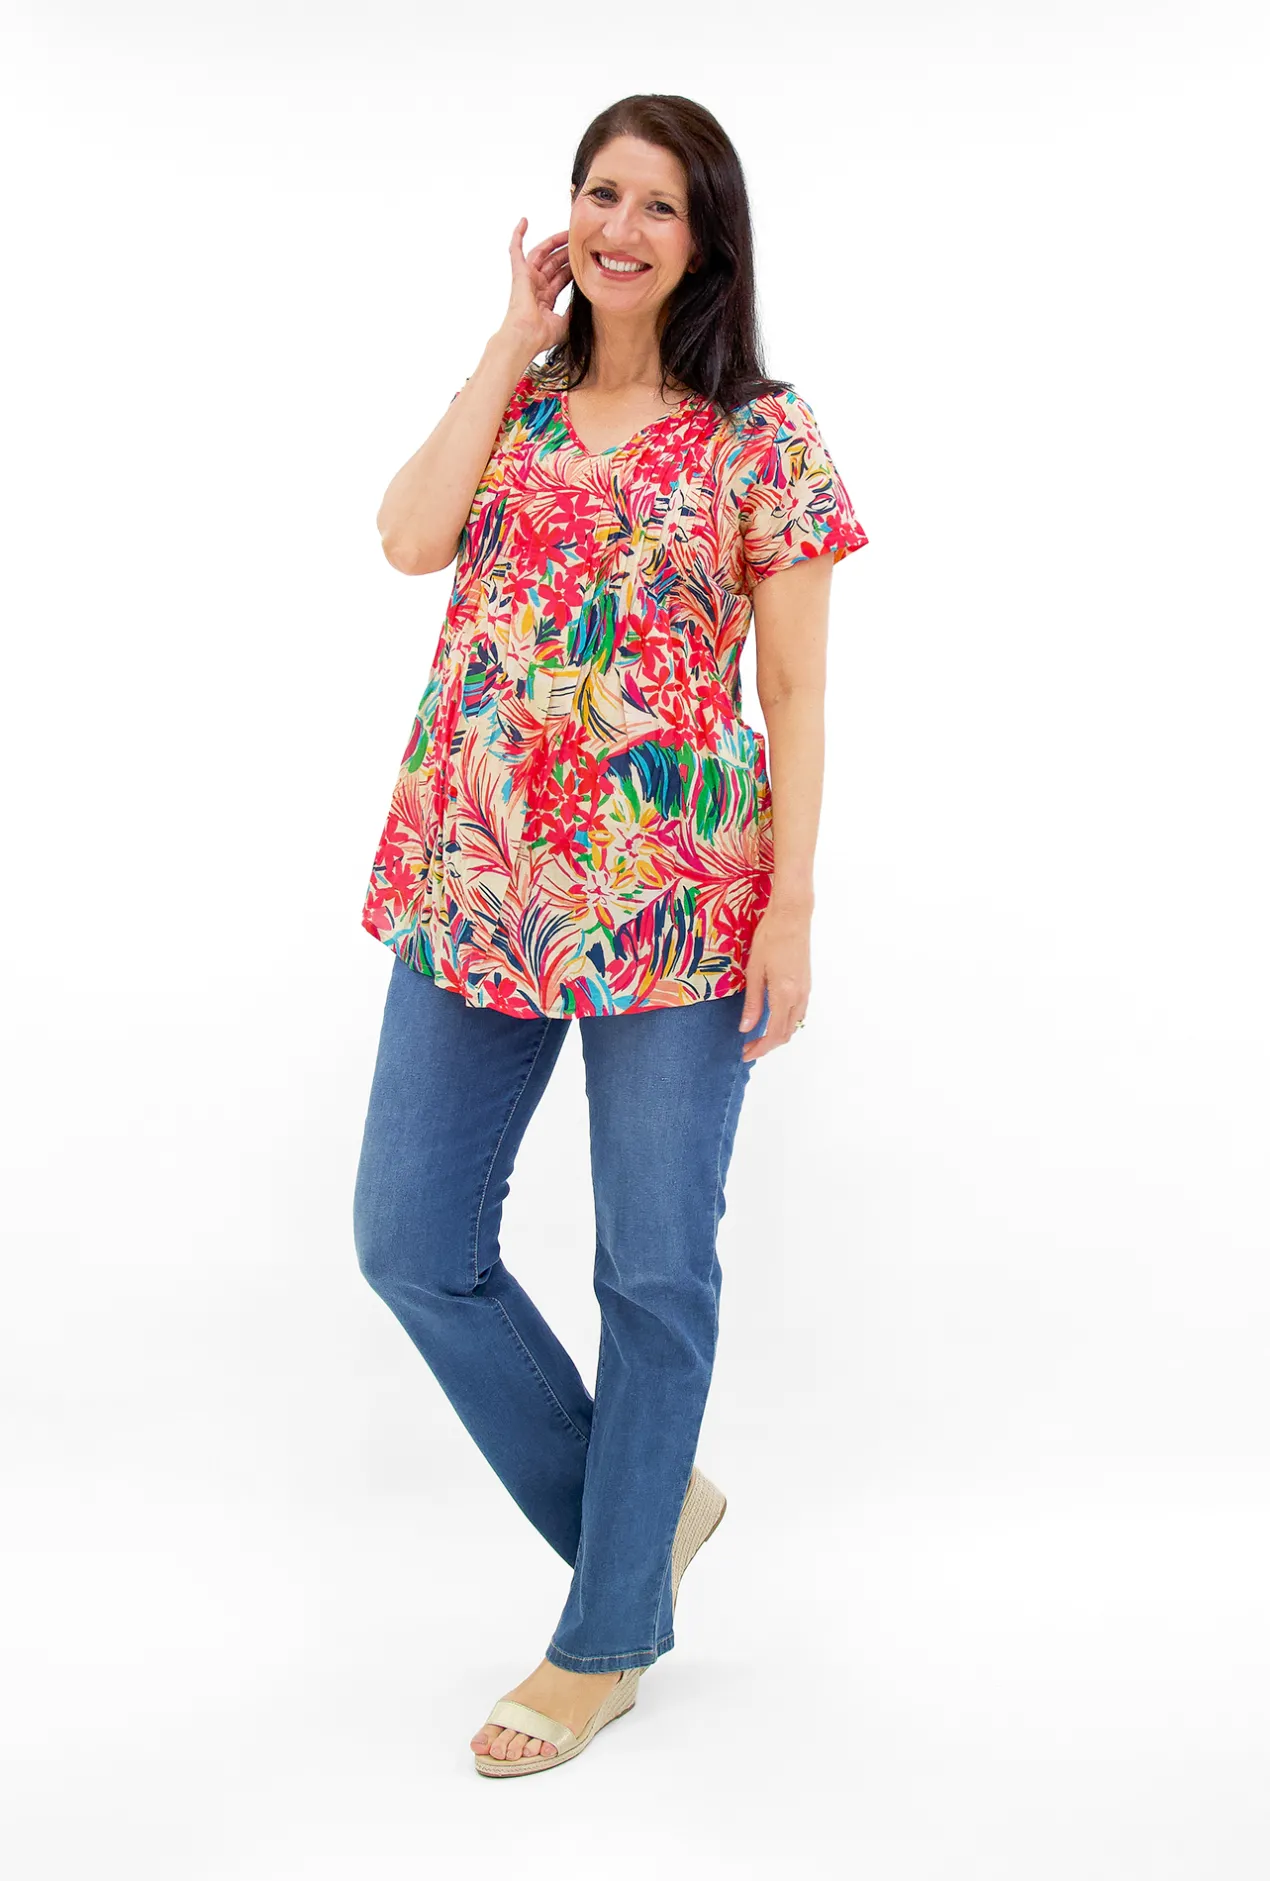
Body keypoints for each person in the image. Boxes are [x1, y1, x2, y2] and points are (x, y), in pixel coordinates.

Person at [353, 93, 868, 1778]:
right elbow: (406, 539)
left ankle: (602, 1638)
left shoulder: (760, 439)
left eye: (655, 203)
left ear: (705, 237)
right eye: (597, 192)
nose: (616, 227)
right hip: (476, 882)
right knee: (408, 1240)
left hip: (673, 901)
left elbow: (794, 692)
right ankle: (645, 1523)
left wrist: (791, 906)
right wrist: (504, 347)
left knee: (652, 1268)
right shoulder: (517, 403)